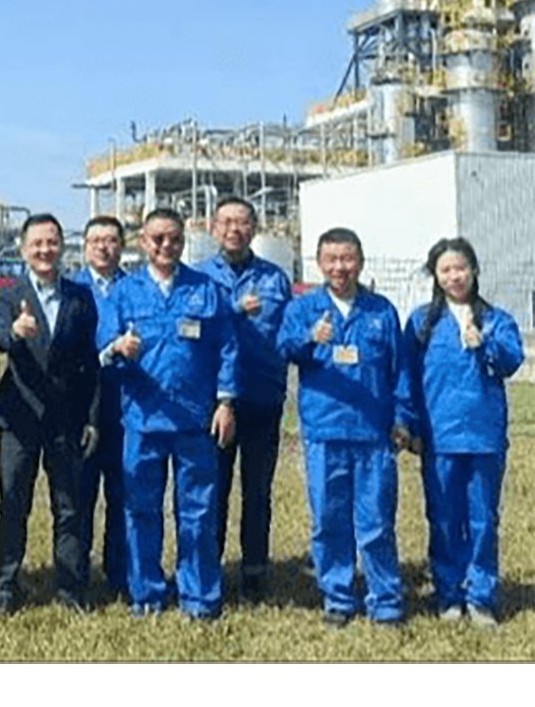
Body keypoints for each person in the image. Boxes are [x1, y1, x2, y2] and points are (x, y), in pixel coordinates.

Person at [101, 208, 238, 620]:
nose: (166, 246)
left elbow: (227, 347)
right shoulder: (125, 292)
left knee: (197, 510)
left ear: (183, 241)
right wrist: (116, 349)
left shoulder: (206, 290)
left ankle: (199, 595)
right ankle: (146, 593)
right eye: (158, 238)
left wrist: (226, 402)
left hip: (194, 420)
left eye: (174, 238)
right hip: (142, 418)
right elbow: (102, 348)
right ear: (143, 241)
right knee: (141, 509)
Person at [276, 227, 405, 627]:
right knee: (329, 521)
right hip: (324, 431)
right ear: (319, 263)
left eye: (347, 259)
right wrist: (310, 338)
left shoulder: (381, 311)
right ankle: (338, 597)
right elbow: (284, 348)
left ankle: (385, 601)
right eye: (331, 259)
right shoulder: (305, 308)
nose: (339, 267)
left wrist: (403, 420)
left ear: (360, 262)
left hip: (372, 433)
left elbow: (400, 372)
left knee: (376, 521)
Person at [398, 238, 524, 628]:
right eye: (446, 270)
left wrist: (484, 343)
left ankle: (481, 596)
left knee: (483, 518)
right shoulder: (421, 323)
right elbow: (407, 378)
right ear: (436, 276)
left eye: (461, 268)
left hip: (484, 435)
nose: (454, 276)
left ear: (474, 270)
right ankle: (449, 592)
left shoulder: (496, 319)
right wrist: (409, 424)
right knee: (444, 517)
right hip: (439, 437)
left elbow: (512, 361)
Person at [0, 213, 100, 612]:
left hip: (66, 418)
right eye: (36, 243)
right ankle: (5, 585)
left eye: (52, 242)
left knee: (69, 506)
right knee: (13, 503)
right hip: (19, 417)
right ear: (23, 250)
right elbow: (0, 338)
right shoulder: (9, 294)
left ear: (62, 247)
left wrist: (92, 418)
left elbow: (90, 362)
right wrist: (15, 333)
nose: (45, 250)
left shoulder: (80, 297)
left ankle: (70, 588)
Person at [196, 196, 291, 601]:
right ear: (213, 228)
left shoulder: (275, 278)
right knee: (212, 489)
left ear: (254, 228)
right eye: (226, 222)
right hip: (214, 401)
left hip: (262, 396)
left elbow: (288, 332)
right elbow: (196, 331)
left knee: (258, 490)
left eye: (242, 222)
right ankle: (210, 570)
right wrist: (234, 311)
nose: (234, 229)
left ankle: (254, 573)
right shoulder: (198, 277)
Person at [72, 215, 128, 599]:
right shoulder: (71, 289)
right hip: (81, 407)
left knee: (123, 494)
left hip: (126, 405)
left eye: (111, 241)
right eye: (96, 241)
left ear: (122, 246)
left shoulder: (136, 287)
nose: (103, 248)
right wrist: (106, 353)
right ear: (85, 246)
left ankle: (119, 574)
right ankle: (77, 576)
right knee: (80, 494)